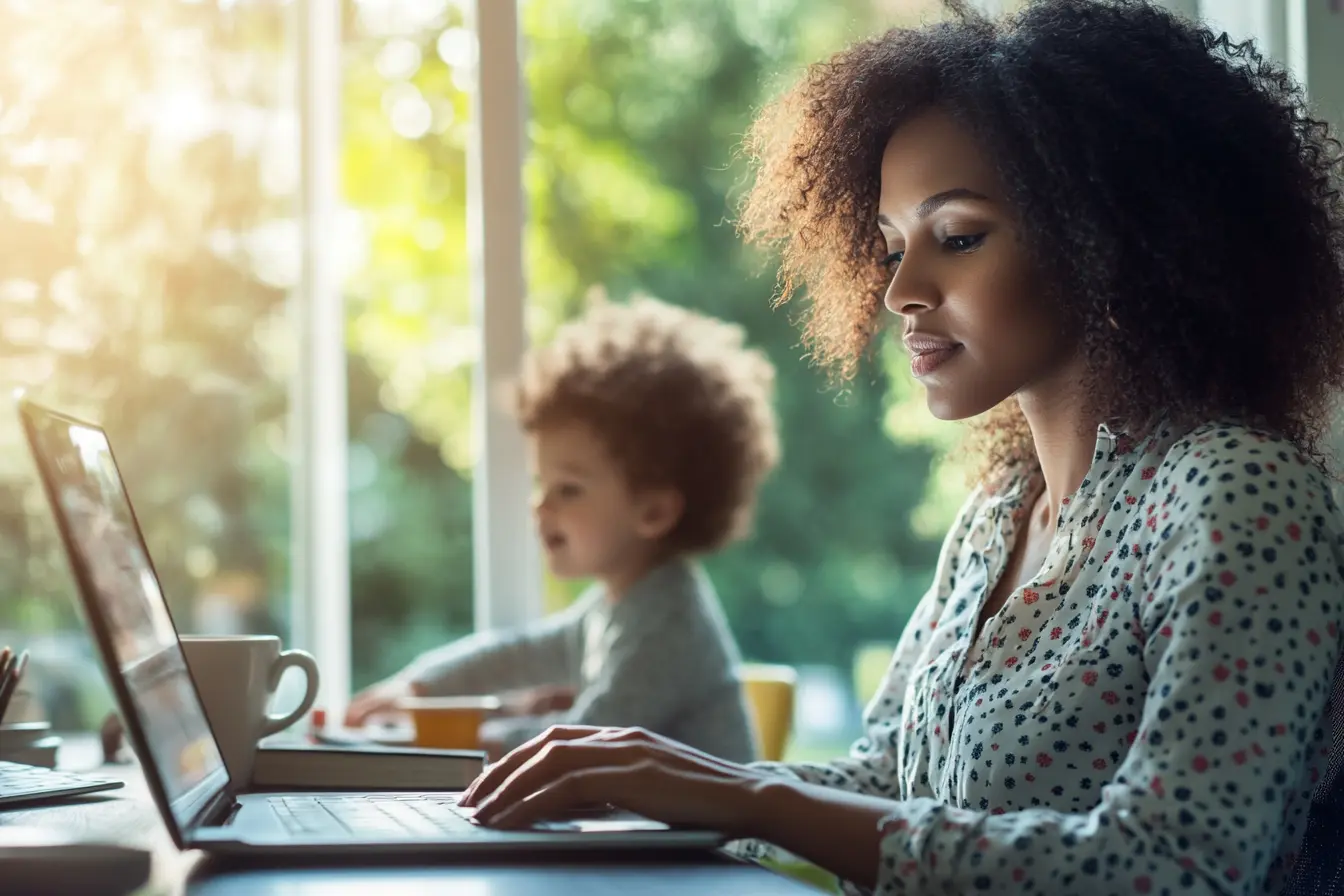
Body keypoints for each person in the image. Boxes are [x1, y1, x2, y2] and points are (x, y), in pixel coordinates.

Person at [458, 2, 1344, 894]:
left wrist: (748, 801)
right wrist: (675, 787)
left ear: (1110, 240)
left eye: (957, 237)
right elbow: (884, 779)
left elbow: (1178, 868)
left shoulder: (1238, 493)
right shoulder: (1000, 515)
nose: (901, 291)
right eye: (888, 248)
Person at [346, 296, 778, 764]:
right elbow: (516, 653)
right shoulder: (620, 604)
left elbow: (583, 743)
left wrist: (464, 734)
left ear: (653, 511)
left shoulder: (668, 626)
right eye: (540, 482)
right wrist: (416, 687)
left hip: (712, 840)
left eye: (568, 489)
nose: (540, 505)